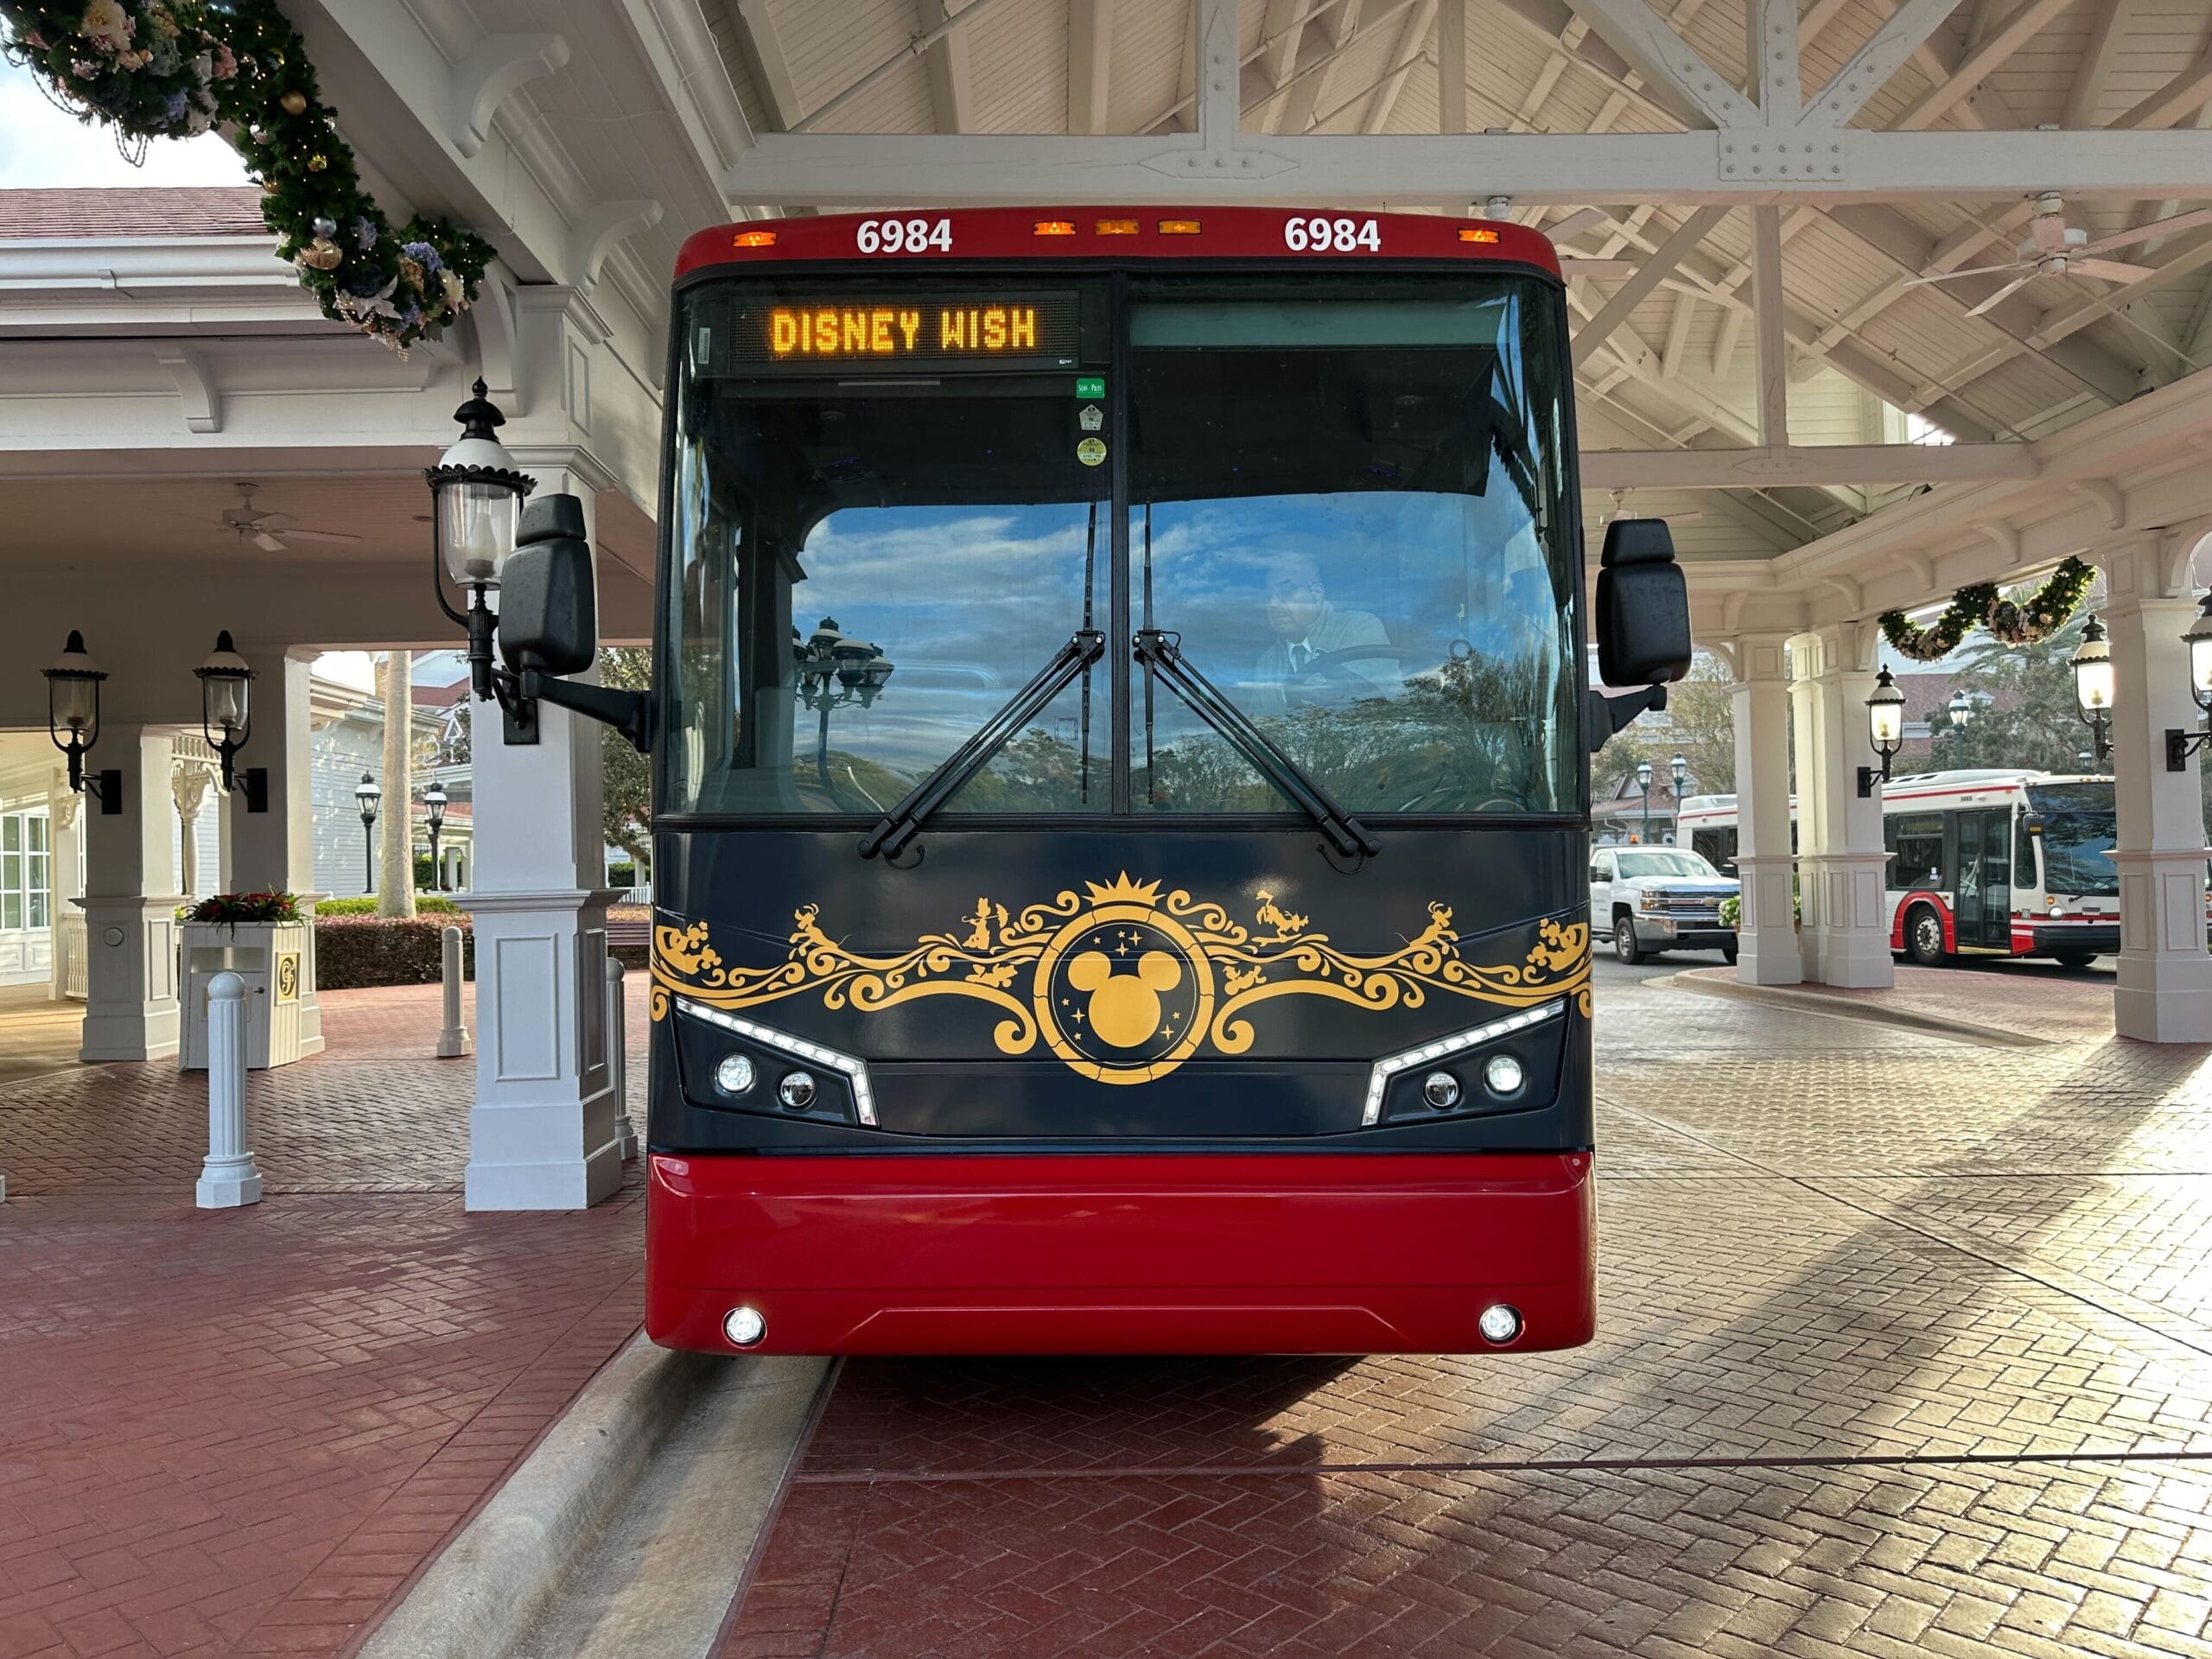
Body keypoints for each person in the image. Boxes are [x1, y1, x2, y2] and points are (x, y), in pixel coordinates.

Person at [1249, 554, 1399, 712]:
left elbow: (1377, 707)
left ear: (1317, 593)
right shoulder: (1266, 664)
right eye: (1267, 595)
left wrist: (1335, 691)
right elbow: (1255, 723)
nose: (1273, 604)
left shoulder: (1360, 628)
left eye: (1286, 591)